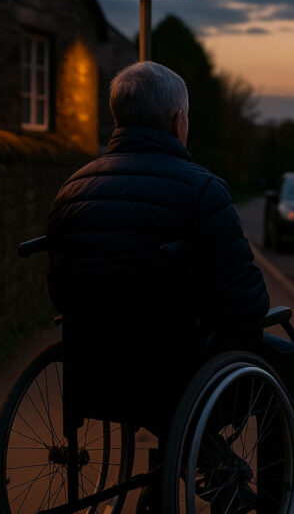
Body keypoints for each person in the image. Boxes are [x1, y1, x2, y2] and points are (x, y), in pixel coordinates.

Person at [46, 60, 269, 430]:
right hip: (175, 373)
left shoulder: (72, 190)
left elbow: (60, 292)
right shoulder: (202, 191)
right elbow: (247, 301)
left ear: (119, 118)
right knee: (291, 358)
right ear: (177, 120)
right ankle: (285, 484)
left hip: (95, 373)